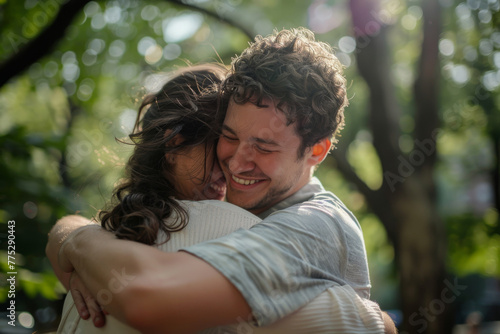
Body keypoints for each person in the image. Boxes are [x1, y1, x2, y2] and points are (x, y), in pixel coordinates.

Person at [48, 28, 397, 333]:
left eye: (263, 146)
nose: (235, 162)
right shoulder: (215, 206)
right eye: (228, 136)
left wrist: (76, 243)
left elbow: (150, 298)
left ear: (317, 151)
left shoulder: (316, 226)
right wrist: (70, 231)